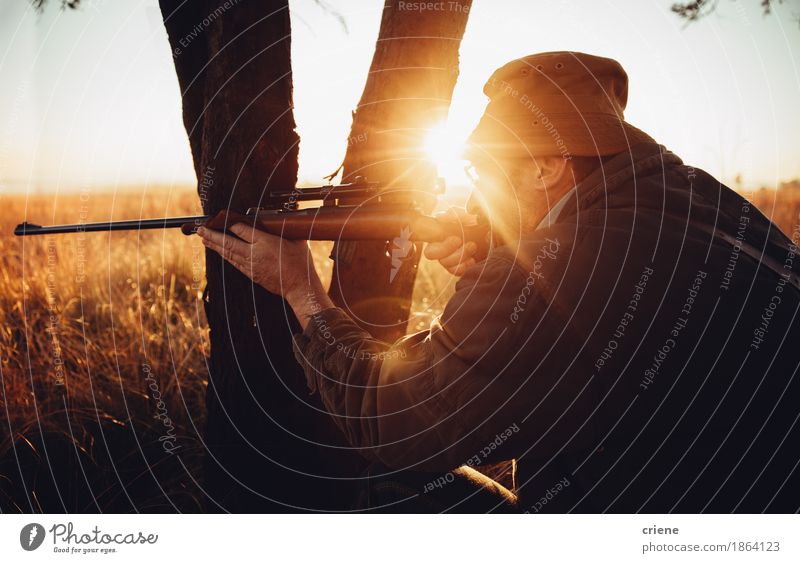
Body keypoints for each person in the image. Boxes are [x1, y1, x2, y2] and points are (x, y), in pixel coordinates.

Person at [199, 51, 800, 513]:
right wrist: (497, 252)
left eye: (483, 170)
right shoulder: (700, 195)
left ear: (547, 165)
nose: (474, 189)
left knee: (373, 479)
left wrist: (304, 292)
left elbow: (393, 421)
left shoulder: (550, 269)